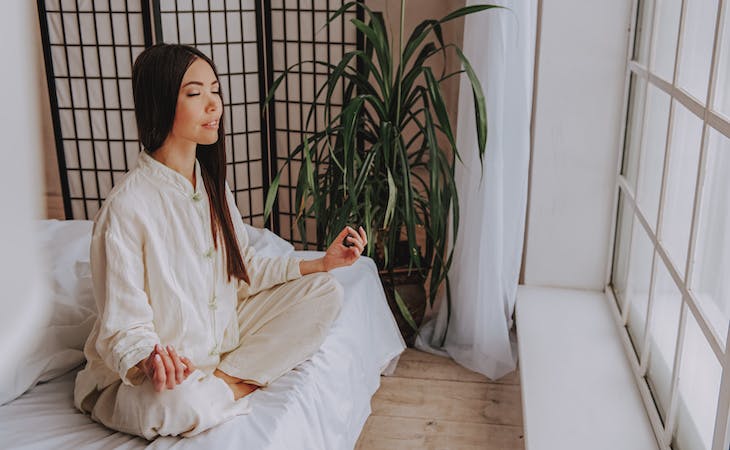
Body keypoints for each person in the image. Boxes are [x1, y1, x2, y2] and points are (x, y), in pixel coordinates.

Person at [73, 43, 368, 440]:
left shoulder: (212, 186)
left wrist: (321, 263)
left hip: (219, 341)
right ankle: (228, 388)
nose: (214, 105)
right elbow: (122, 324)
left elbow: (242, 269)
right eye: (195, 94)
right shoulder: (127, 208)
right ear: (161, 103)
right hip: (152, 372)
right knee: (177, 404)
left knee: (323, 292)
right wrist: (150, 358)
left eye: (215, 90)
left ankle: (223, 384)